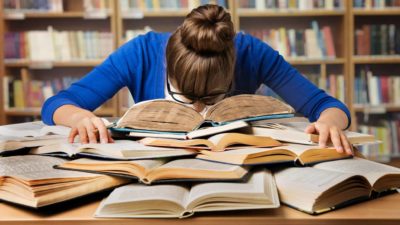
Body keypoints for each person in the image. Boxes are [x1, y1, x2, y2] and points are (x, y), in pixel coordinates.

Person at [41, 4, 353, 155]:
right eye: (184, 97)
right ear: (168, 68)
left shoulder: (251, 53)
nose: (200, 112)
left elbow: (325, 105)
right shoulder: (141, 53)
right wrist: (80, 116)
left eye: (213, 98)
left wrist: (329, 122)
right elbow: (57, 104)